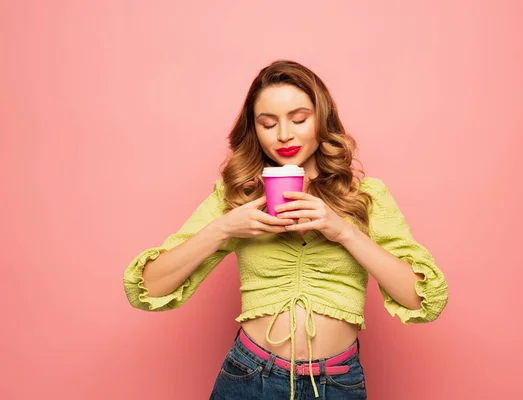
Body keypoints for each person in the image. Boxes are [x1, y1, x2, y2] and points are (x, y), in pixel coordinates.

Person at [123, 60, 449, 400]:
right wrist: (223, 228)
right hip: (248, 377)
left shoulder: (365, 197)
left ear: (322, 120)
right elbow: (148, 287)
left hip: (337, 384)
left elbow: (421, 300)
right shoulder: (238, 196)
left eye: (298, 119)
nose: (283, 135)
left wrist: (344, 232)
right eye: (268, 123)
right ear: (255, 130)